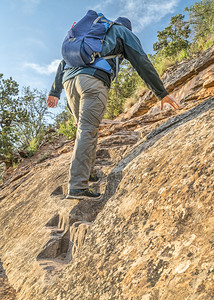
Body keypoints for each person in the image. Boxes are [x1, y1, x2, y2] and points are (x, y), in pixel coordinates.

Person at [47, 12, 180, 200]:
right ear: (127, 28)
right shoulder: (121, 31)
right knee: (87, 129)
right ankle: (77, 186)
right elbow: (140, 60)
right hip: (92, 80)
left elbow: (63, 63)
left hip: (69, 83)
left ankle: (87, 172)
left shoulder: (91, 35)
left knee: (83, 129)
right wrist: (161, 93)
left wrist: (54, 92)